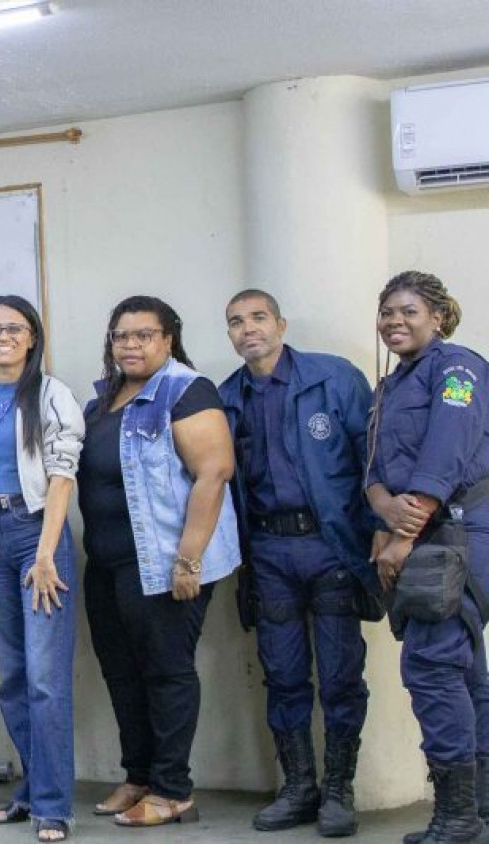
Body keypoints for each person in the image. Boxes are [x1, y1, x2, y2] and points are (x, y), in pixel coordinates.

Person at [218, 290, 376, 837]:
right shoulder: (227, 397)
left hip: (332, 547)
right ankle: (299, 787)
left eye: (258, 318)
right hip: (268, 554)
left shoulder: (334, 378)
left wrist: (377, 538)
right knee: (283, 675)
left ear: (281, 325)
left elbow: (372, 461)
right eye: (236, 322)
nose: (248, 329)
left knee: (340, 676)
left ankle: (339, 790)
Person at [77, 295, 239, 828]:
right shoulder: (103, 399)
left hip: (164, 563)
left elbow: (214, 473)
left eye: (143, 335)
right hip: (107, 565)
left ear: (168, 338)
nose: (131, 344)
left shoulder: (186, 390)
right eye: (121, 335)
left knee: (167, 672)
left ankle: (173, 791)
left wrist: (188, 560)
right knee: (122, 673)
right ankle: (140, 776)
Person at [366, 271, 489, 844]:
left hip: (456, 533)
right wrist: (382, 511)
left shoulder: (457, 368)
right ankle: (479, 806)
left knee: (432, 666)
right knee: (464, 669)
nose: (395, 320)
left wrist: (403, 535)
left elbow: (445, 452)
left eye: (409, 311)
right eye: (387, 311)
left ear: (438, 317)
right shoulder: (391, 384)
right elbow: (373, 465)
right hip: (422, 531)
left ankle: (457, 817)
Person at [0, 295, 86, 843]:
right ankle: (34, 788)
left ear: (33, 336)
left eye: (15, 328)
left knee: (45, 679)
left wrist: (45, 552)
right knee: (12, 677)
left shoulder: (52, 394)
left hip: (38, 537)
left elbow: (62, 476)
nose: (4, 336)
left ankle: (54, 806)